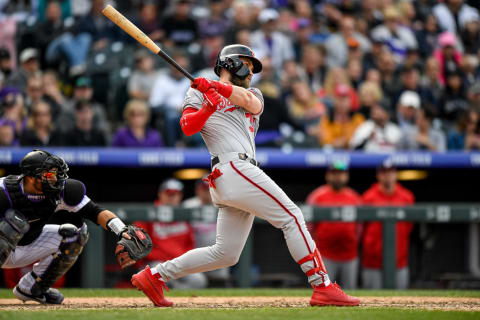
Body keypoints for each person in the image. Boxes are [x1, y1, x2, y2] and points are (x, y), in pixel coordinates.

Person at [131, 44, 360, 307]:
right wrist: (207, 107)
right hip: (231, 167)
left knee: (225, 254)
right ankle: (323, 286)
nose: (251, 71)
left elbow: (251, 103)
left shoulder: (253, 93)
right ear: (230, 63)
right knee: (292, 216)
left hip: (237, 171)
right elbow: (187, 127)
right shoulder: (196, 93)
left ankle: (154, 275)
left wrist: (217, 89)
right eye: (247, 64)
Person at [0, 150, 152, 304]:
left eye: (56, 174)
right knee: (14, 222)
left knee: (76, 234)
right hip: (4, 243)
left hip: (29, 243)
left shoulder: (60, 192)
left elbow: (95, 211)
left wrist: (121, 230)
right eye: (49, 175)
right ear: (31, 177)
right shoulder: (4, 191)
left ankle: (31, 289)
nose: (55, 179)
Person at [135, 179, 208, 289]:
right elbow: (139, 246)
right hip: (156, 263)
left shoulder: (184, 214)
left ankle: (175, 292)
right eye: (168, 193)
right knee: (156, 277)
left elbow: (190, 244)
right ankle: (171, 289)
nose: (172, 197)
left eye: (175, 194)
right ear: (160, 194)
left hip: (179, 264)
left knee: (199, 280)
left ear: (180, 196)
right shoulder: (149, 214)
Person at [306, 161, 362, 289]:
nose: (338, 177)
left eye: (341, 174)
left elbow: (360, 227)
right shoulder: (317, 196)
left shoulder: (354, 198)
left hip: (349, 255)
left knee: (350, 293)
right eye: (334, 174)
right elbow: (309, 227)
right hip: (324, 255)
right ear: (328, 176)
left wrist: (353, 240)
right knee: (324, 291)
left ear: (346, 176)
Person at [361, 160, 415, 289]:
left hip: (399, 261)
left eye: (391, 172)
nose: (388, 176)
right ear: (378, 175)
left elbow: (409, 227)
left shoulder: (406, 197)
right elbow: (361, 228)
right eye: (384, 172)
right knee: (371, 303)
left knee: (402, 303)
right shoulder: (368, 197)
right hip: (372, 262)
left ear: (396, 174)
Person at [183, 176, 230, 284]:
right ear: (197, 190)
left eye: (210, 187)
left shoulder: (225, 204)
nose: (208, 191)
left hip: (218, 258)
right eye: (204, 188)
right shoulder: (187, 206)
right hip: (194, 256)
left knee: (220, 284)